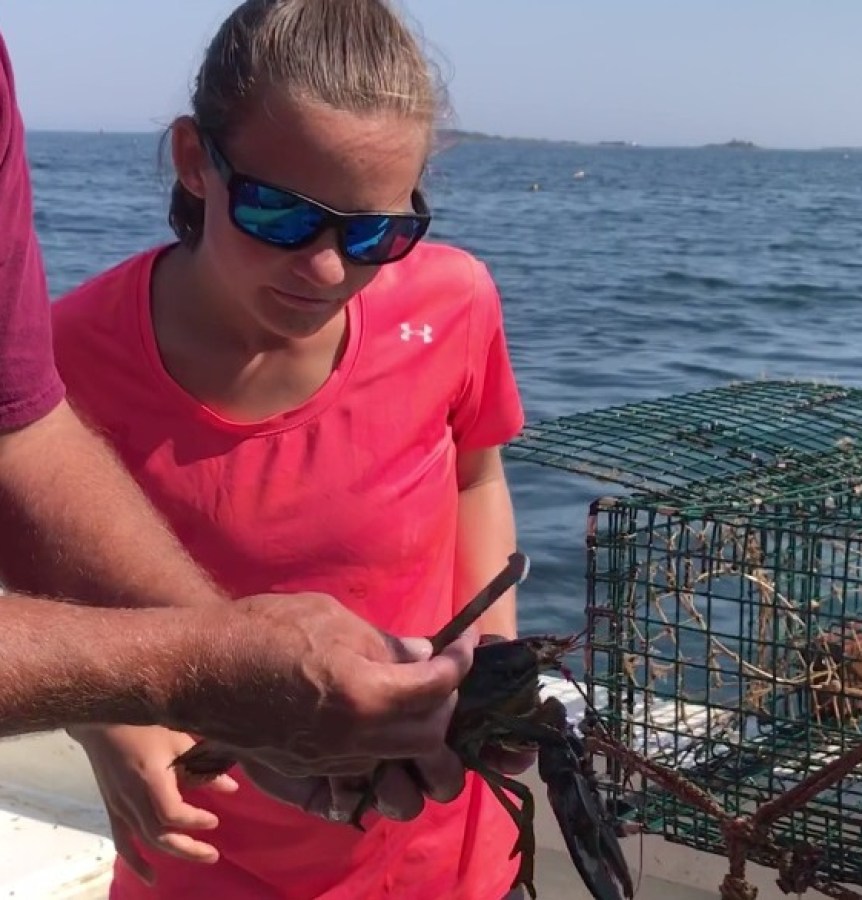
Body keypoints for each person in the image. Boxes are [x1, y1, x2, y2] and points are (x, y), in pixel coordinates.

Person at [49, 0, 530, 898]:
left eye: (375, 232)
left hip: (442, 850)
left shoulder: (454, 301)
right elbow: (35, 581)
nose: (327, 271)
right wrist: (104, 726)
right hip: (205, 854)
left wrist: (489, 667)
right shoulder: (66, 358)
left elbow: (475, 477)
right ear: (196, 162)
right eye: (278, 214)